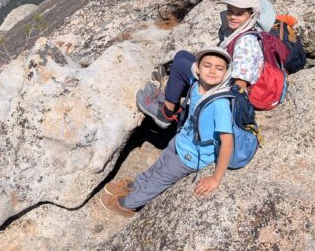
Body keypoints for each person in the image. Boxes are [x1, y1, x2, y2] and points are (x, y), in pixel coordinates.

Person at [100, 47, 235, 217]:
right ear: (198, 69)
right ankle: (136, 185)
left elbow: (227, 143)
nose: (213, 71)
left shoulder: (220, 104)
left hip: (191, 156)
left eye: (219, 68)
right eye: (207, 65)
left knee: (160, 179)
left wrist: (216, 179)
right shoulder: (197, 87)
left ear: (226, 73)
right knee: (158, 166)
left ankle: (128, 204)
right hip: (181, 141)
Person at [137, 0, 267, 128]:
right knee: (182, 55)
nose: (233, 17)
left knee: (180, 65)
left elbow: (240, 85)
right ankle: (171, 97)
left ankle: (166, 112)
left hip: (223, 90)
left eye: (239, 13)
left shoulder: (245, 42)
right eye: (230, 11)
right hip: (222, 78)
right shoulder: (246, 31)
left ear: (251, 15)